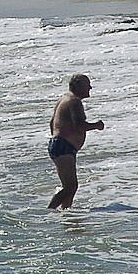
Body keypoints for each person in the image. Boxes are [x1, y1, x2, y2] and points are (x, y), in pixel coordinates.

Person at [48, 73, 105, 210]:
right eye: (87, 85)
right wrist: (96, 125)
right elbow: (79, 125)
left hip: (60, 145)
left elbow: (52, 123)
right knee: (70, 186)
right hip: (63, 146)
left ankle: (66, 213)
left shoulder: (64, 99)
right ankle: (49, 212)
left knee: (70, 187)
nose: (90, 88)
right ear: (78, 86)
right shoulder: (74, 101)